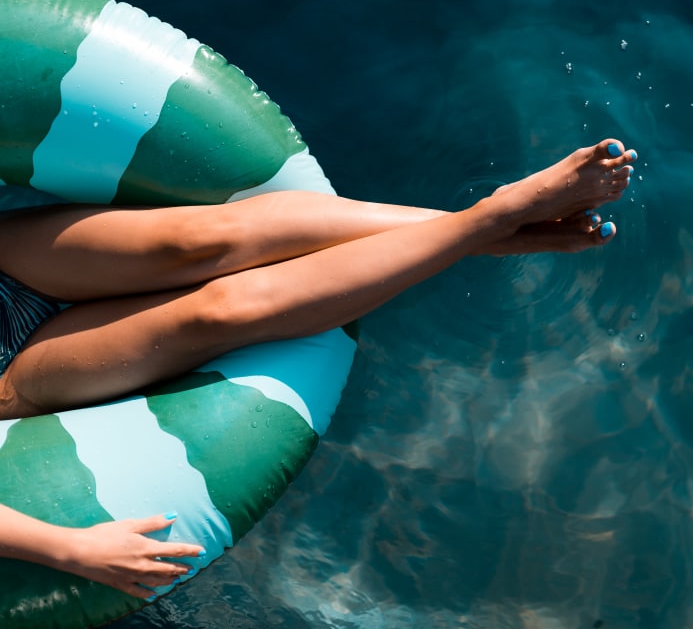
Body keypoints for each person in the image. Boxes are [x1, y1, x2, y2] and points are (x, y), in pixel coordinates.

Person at [0, 138, 636, 599]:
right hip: (13, 377)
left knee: (199, 244)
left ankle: (484, 229)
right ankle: (493, 220)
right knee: (218, 314)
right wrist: (72, 547)